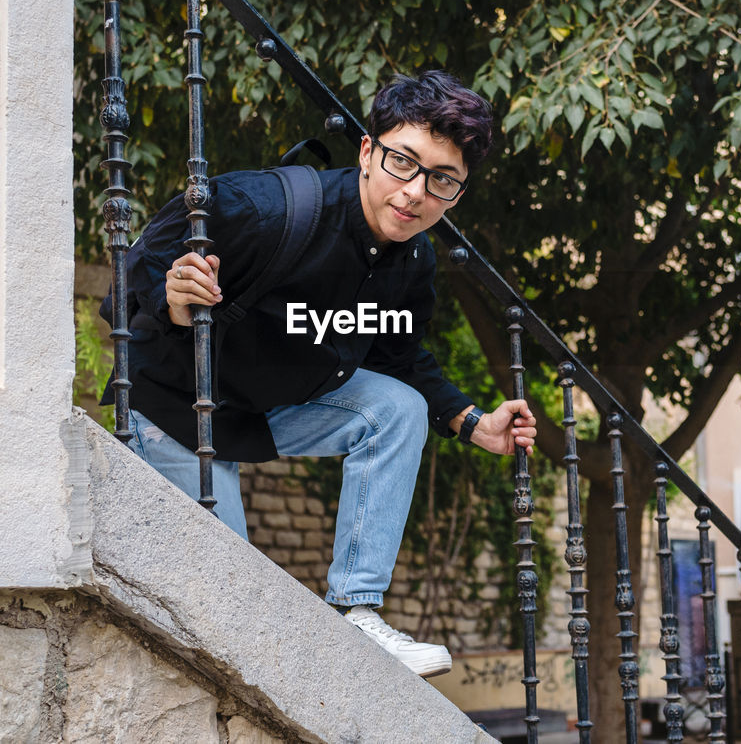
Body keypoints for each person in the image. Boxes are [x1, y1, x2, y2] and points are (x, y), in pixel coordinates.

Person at [103, 70, 537, 677]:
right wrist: (173, 298)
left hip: (268, 405)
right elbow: (132, 274)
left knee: (396, 407)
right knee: (231, 619)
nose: (414, 193)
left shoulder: (412, 256)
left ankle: (357, 613)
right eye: (402, 162)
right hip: (178, 408)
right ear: (367, 150)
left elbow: (398, 357)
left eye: (442, 181)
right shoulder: (266, 208)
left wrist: (471, 423)